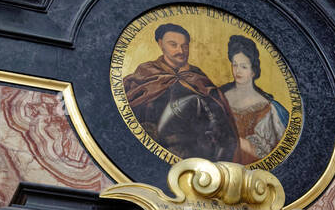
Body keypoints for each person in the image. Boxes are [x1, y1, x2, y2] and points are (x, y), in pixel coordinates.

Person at [122, 22, 238, 161]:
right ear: (160, 44)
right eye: (173, 45)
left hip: (196, 155)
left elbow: (220, 117)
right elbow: (130, 109)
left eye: (185, 45)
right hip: (151, 152)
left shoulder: (198, 77)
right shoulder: (146, 73)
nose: (181, 51)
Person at [219, 34, 288, 163]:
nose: (237, 71)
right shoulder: (220, 96)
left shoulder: (266, 107)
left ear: (253, 71)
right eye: (235, 65)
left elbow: (266, 152)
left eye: (244, 66)